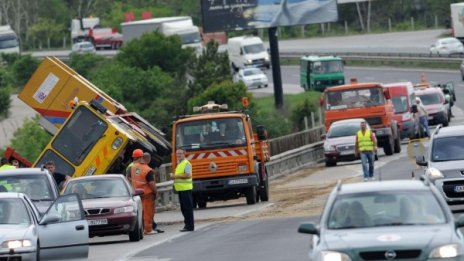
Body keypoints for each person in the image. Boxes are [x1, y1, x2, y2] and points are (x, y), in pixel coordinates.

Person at [129, 149, 158, 235]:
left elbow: (129, 178)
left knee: (141, 212)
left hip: (137, 193)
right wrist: (156, 192)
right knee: (148, 212)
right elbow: (151, 183)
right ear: (141, 157)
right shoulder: (147, 169)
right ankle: (148, 229)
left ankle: (142, 228)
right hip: (147, 194)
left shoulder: (132, 167)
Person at [171, 149, 194, 232]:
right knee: (184, 208)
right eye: (177, 154)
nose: (178, 155)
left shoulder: (186, 163)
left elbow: (188, 175)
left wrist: (175, 176)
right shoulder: (179, 163)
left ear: (184, 154)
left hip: (186, 189)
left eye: (180, 153)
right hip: (181, 189)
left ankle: (190, 226)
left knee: (187, 209)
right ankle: (187, 225)